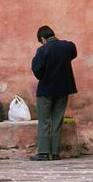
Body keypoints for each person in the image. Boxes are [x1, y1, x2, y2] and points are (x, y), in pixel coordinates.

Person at [30, 25, 77, 161]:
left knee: (44, 121)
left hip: (46, 90)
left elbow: (37, 70)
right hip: (63, 88)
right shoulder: (68, 47)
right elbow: (73, 54)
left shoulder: (42, 50)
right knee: (57, 120)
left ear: (43, 39)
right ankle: (55, 153)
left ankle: (44, 153)